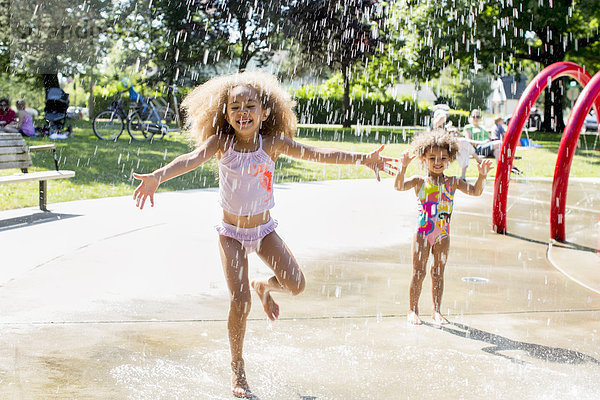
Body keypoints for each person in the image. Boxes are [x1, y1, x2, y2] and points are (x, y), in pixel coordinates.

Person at [132, 71, 395, 398]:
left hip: (263, 230)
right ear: (225, 114)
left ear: (265, 112)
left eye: (250, 106)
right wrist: (158, 176)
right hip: (231, 234)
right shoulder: (221, 143)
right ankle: (238, 368)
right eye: (235, 106)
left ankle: (263, 286)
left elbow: (319, 154)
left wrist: (361, 159)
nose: (243, 112)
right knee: (239, 302)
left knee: (295, 284)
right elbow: (189, 159)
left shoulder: (273, 144)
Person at [394, 129, 493, 326]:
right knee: (418, 272)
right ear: (423, 158)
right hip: (423, 234)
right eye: (432, 158)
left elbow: (475, 192)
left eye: (443, 158)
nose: (437, 162)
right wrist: (402, 168)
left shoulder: (453, 182)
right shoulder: (418, 181)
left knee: (438, 273)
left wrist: (481, 176)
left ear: (450, 159)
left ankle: (436, 311)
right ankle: (412, 310)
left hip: (443, 235)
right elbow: (398, 186)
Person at [432, 109, 482, 181]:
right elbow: (437, 125)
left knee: (464, 151)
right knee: (463, 141)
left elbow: (448, 137)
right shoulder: (434, 124)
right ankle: (477, 159)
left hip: (447, 147)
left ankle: (463, 177)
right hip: (439, 147)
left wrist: (456, 133)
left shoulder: (444, 126)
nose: (444, 118)